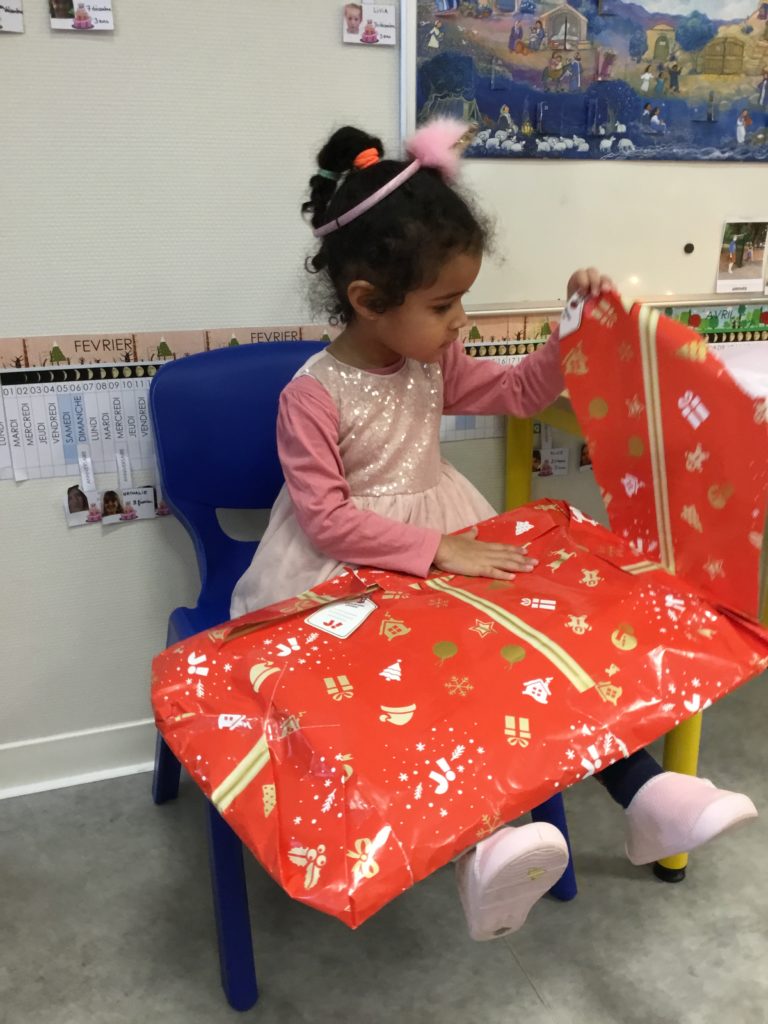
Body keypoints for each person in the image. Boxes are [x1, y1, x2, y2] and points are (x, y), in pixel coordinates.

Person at [230, 120, 758, 943]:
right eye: (443, 305)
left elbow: (516, 394)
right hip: (345, 568)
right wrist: (435, 550)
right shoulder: (312, 395)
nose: (459, 322)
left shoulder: (430, 362)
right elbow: (328, 518)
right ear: (367, 300)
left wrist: (571, 328)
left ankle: (646, 795)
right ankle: (487, 845)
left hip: (445, 536)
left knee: (541, 646)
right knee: (427, 687)